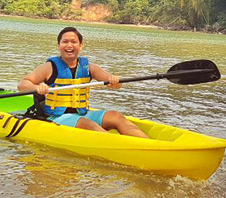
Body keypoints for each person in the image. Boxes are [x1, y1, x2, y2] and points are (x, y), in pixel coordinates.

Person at [18, 26, 149, 138]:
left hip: (83, 113)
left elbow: (116, 85)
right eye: (65, 42)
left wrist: (114, 81)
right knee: (88, 124)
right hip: (57, 117)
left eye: (74, 42)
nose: (69, 45)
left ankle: (149, 144)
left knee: (116, 116)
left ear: (80, 46)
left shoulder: (89, 68)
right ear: (59, 46)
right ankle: (120, 146)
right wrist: (36, 87)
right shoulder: (49, 67)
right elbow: (22, 84)